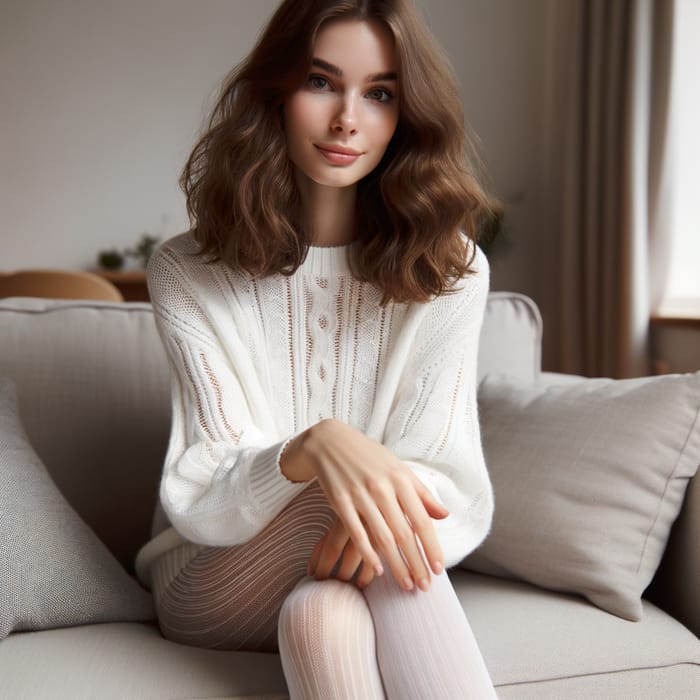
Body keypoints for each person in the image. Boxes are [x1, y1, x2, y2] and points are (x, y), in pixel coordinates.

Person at [134, 0, 498, 697]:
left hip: (356, 565)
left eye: (381, 93)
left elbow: (451, 481)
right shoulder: (187, 271)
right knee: (351, 498)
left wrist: (359, 488)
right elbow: (205, 488)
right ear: (274, 92)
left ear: (407, 114)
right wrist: (316, 446)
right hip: (211, 574)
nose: (347, 121)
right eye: (321, 82)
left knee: (322, 615)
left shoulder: (454, 271)